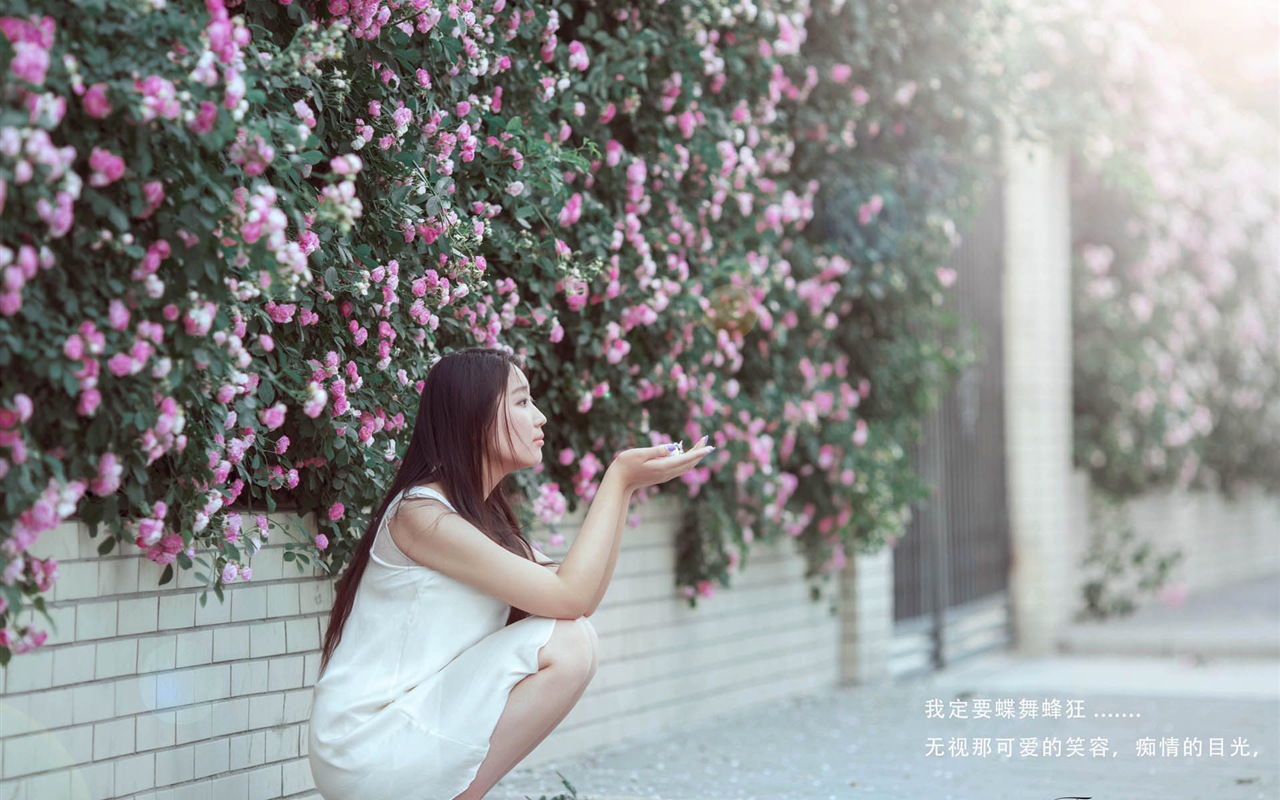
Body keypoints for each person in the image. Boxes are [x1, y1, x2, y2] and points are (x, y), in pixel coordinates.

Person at [307, 347, 715, 800]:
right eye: (521, 402)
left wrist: (627, 488)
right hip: (367, 744)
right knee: (570, 643)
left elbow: (582, 597)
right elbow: (571, 597)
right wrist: (616, 477)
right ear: (475, 417)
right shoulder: (421, 515)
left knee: (574, 635)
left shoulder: (479, 520)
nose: (539, 418)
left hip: (410, 723)